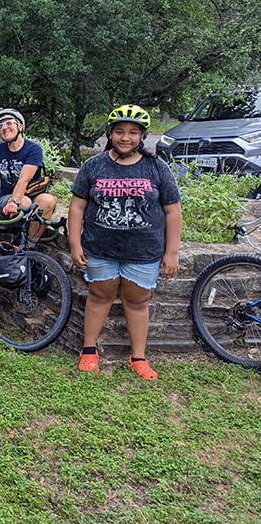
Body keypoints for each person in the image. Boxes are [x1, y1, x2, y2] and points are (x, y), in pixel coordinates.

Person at [68, 104, 182, 380]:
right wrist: (75, 244)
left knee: (138, 302)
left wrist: (172, 253)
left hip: (143, 251)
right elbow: (77, 207)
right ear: (110, 134)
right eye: (119, 131)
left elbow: (172, 211)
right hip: (100, 248)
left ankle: (139, 357)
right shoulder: (93, 166)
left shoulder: (157, 167)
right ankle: (89, 351)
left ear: (142, 136)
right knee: (99, 297)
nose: (125, 138)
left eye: (133, 132)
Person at [0, 108, 56, 244]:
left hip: (31, 193)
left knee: (48, 200)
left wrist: (16, 201)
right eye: (0, 126)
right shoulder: (0, 149)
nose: (4, 128)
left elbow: (24, 179)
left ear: (19, 126)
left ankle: (29, 246)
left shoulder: (33, 149)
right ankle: (18, 240)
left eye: (9, 123)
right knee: (24, 202)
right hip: (7, 197)